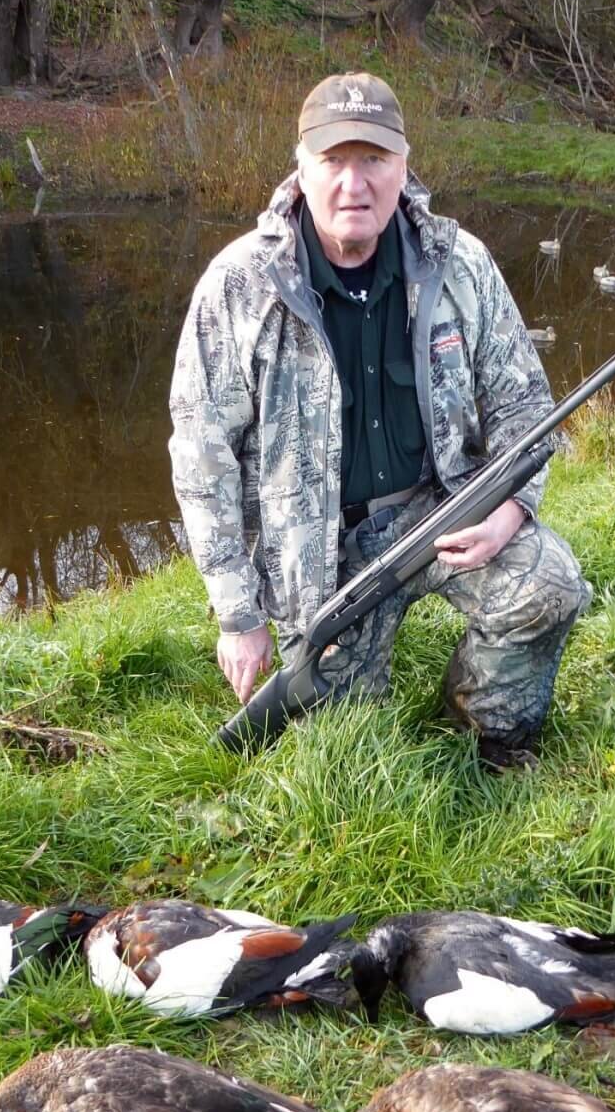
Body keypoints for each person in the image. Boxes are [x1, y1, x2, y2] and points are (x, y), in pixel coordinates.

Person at [167, 72, 591, 772]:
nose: (352, 184)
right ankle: (337, 690)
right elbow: (201, 460)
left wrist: (508, 512)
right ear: (301, 167)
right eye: (334, 160)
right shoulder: (238, 287)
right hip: (318, 560)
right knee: (343, 750)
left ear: (404, 163)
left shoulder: (462, 266)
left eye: (373, 160)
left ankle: (490, 732)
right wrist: (240, 617)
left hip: (443, 516)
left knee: (549, 584)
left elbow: (525, 409)